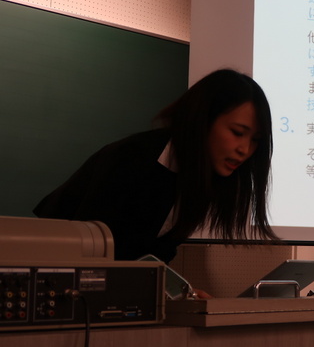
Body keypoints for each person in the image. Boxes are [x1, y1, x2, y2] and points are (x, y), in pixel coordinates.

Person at [33, 69, 279, 263]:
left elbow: (155, 256)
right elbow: (93, 248)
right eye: (237, 132)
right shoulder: (133, 158)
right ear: (202, 120)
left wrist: (180, 292)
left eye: (255, 140)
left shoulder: (205, 177)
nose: (245, 149)